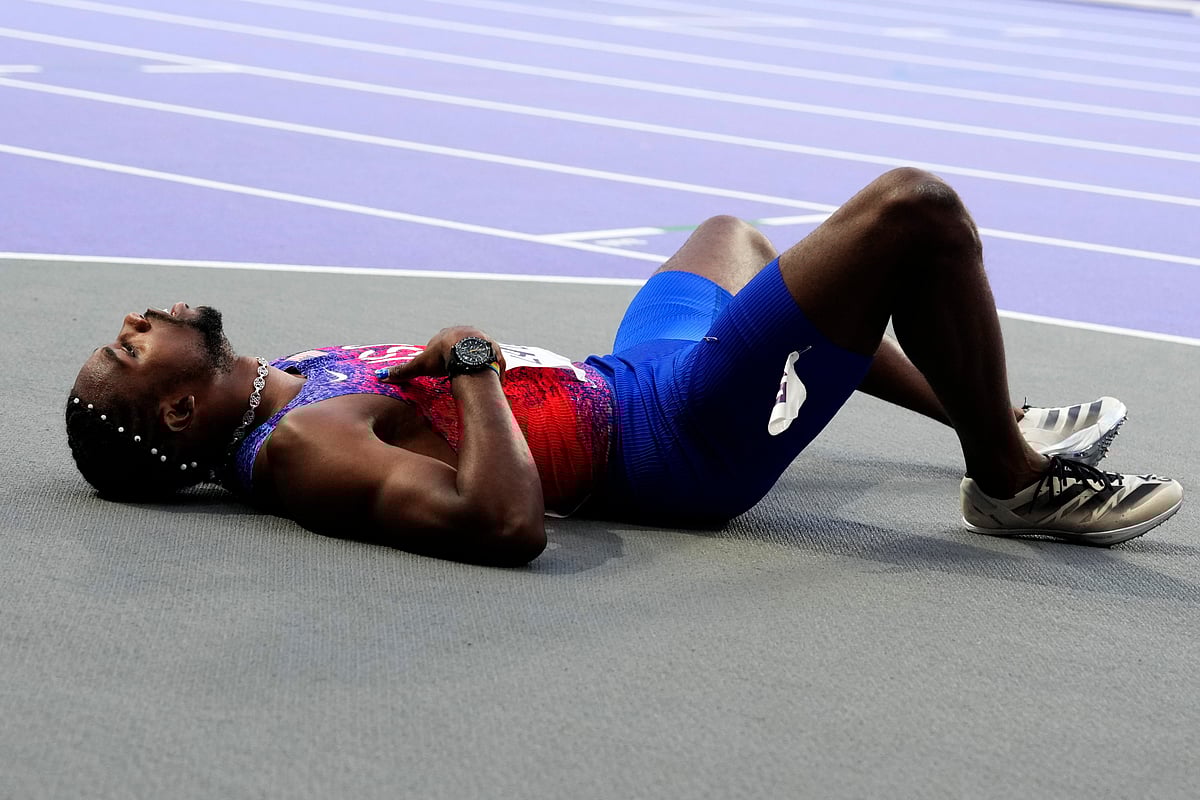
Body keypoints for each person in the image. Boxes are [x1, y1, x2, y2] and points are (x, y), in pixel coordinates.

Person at [65, 168, 1184, 566]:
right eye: (130, 344)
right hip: (678, 439)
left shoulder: (282, 381)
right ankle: (1013, 474)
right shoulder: (302, 447)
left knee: (730, 235)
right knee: (912, 213)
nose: (137, 316)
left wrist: (474, 371)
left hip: (626, 373)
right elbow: (503, 525)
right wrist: (468, 368)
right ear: (174, 403)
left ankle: (995, 409)